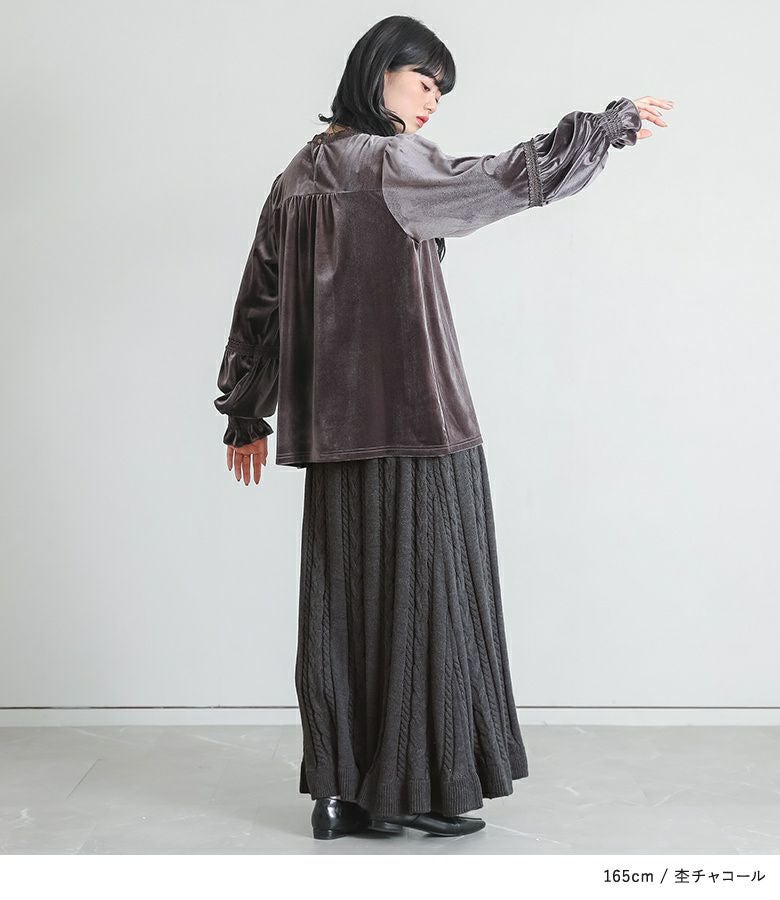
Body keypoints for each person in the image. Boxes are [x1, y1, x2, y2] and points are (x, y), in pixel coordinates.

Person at [213, 14, 673, 840]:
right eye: (424, 82)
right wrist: (605, 127)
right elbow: (503, 179)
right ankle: (416, 790)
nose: (432, 102)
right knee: (429, 605)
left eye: (440, 91)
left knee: (342, 611)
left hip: (333, 435)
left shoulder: (297, 174)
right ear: (379, 73)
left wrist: (248, 409)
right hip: (420, 422)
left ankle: (339, 796)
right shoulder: (392, 162)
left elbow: (262, 297)